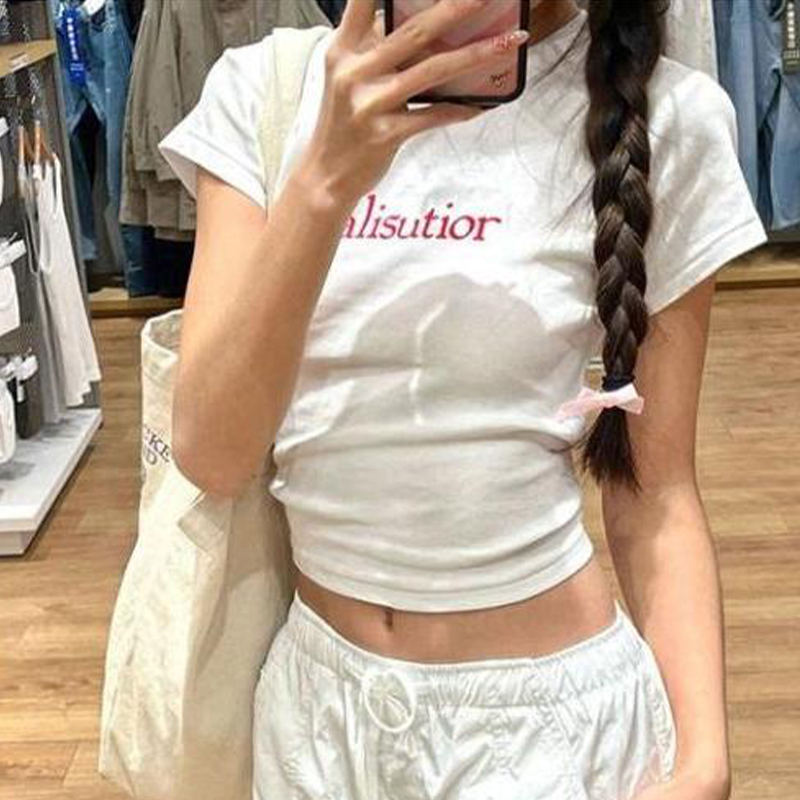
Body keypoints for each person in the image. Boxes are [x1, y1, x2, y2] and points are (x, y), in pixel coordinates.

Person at [158, 1, 767, 798]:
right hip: (317, 721)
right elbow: (212, 454)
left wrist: (704, 762)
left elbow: (655, 492)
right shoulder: (264, 92)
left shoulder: (669, 116)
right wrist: (322, 184)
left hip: (546, 734)